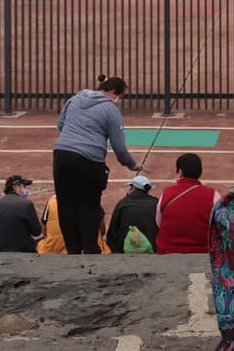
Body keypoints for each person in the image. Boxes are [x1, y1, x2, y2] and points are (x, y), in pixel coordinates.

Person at [52, 75, 139, 254]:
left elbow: (61, 124)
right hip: (89, 160)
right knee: (89, 205)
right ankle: (90, 248)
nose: (120, 101)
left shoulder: (76, 98)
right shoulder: (111, 109)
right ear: (114, 92)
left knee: (65, 204)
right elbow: (119, 146)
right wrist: (131, 164)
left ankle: (73, 250)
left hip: (62, 154)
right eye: (121, 96)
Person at [155, 153, 221, 254]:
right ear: (200, 172)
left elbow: (159, 222)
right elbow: (220, 225)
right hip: (202, 252)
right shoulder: (213, 195)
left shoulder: (166, 193)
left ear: (180, 172)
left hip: (167, 252)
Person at [0, 175, 42, 253]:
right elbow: (36, 231)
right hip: (21, 250)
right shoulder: (26, 204)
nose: (26, 189)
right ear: (15, 187)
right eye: (24, 186)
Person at [37, 194, 112, 254]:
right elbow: (102, 231)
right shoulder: (93, 200)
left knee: (41, 243)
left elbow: (44, 232)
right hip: (89, 249)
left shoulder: (51, 202)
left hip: (54, 248)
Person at [106, 174, 160, 253]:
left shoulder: (122, 203)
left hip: (125, 250)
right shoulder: (156, 203)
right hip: (152, 249)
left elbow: (112, 232)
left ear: (133, 188)